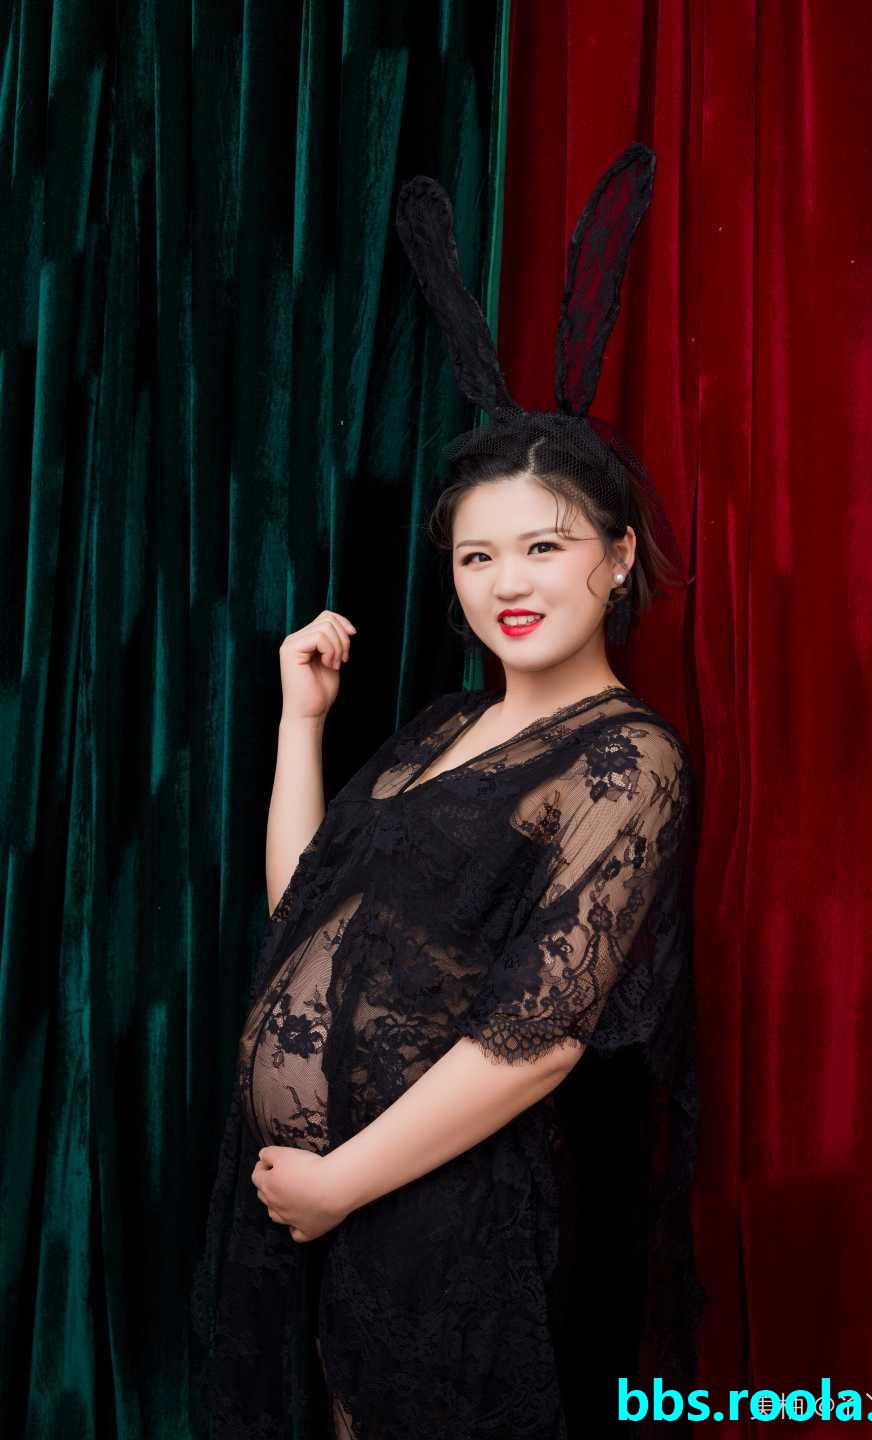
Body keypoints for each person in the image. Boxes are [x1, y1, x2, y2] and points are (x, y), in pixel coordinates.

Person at [190, 142, 706, 1439]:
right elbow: (305, 913)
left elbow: (542, 1037)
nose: (507, 582)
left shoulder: (625, 759)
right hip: (306, 1192)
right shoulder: (444, 724)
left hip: (430, 1200)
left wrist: (341, 1184)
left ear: (616, 557)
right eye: (478, 556)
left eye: (543, 545)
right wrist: (302, 727)